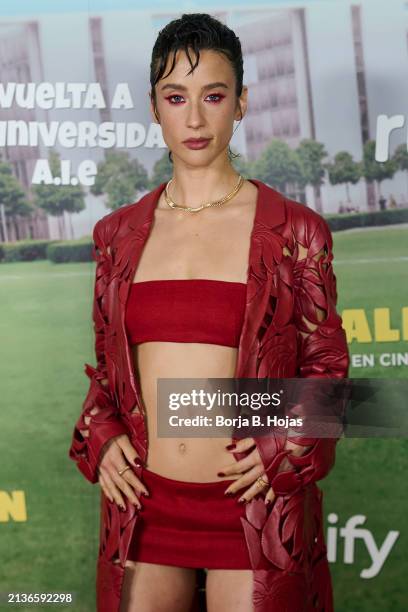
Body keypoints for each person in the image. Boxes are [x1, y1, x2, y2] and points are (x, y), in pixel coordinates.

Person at [68, 13, 350, 612]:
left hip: (254, 509)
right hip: (146, 509)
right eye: (176, 97)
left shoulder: (296, 232)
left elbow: (331, 381)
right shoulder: (116, 236)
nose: (194, 119)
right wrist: (101, 432)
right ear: (154, 107)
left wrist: (281, 448)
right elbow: (109, 378)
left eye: (213, 96)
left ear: (241, 103)